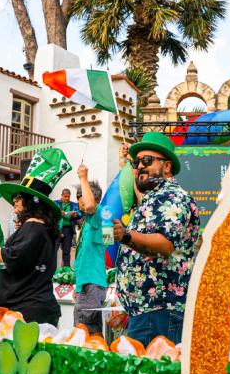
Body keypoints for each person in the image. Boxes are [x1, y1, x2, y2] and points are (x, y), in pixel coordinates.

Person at [0, 148, 71, 326]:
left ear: (30, 201)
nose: (14, 199)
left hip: (26, 312)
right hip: (37, 308)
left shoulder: (33, 228)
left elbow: (8, 256)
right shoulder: (43, 228)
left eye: (19, 196)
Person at [113, 132, 200, 345]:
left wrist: (125, 235)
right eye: (137, 162)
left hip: (159, 311)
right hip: (146, 311)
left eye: (147, 161)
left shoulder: (172, 197)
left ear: (167, 166)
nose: (141, 166)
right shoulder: (153, 198)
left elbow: (164, 245)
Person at [72, 164, 107, 334]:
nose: (77, 200)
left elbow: (91, 206)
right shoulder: (88, 220)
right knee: (82, 333)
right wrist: (78, 286)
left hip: (91, 285)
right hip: (85, 284)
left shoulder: (97, 212)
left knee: (87, 335)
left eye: (79, 196)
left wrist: (83, 178)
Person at [55, 188, 80, 267]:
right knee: (54, 249)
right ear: (61, 195)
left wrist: (76, 215)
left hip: (68, 229)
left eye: (68, 197)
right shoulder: (55, 203)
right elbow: (51, 212)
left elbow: (79, 213)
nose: (67, 198)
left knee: (67, 251)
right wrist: (59, 212)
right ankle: (51, 270)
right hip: (57, 229)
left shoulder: (73, 205)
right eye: (65, 196)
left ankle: (66, 270)